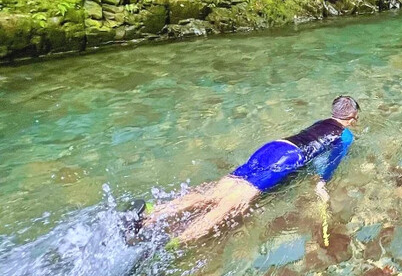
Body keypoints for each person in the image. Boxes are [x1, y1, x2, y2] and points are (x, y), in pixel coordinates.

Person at [130, 96, 359, 244]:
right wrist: (321, 182)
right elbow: (330, 162)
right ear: (353, 117)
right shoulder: (345, 135)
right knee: (230, 205)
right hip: (289, 158)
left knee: (216, 193)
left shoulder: (322, 122)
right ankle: (175, 242)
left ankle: (150, 213)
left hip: (274, 147)